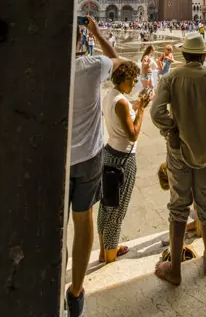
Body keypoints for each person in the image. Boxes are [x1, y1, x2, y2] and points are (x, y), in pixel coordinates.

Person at [151, 32, 206, 285]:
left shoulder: (170, 77)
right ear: (204, 55)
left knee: (178, 204)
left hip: (178, 148)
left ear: (183, 54)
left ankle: (174, 269)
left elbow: (156, 112)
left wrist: (171, 129)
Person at [67, 16, 122, 317]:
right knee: (84, 218)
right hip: (88, 156)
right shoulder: (92, 66)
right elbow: (119, 62)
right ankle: (76, 292)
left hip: (56, 159)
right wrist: (98, 33)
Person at [97, 61, 151, 263]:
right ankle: (110, 254)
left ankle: (104, 249)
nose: (135, 84)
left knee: (106, 204)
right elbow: (133, 135)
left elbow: (121, 117)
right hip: (122, 158)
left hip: (110, 152)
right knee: (117, 209)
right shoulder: (120, 102)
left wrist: (134, 107)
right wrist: (142, 110)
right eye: (133, 80)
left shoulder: (110, 96)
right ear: (124, 79)